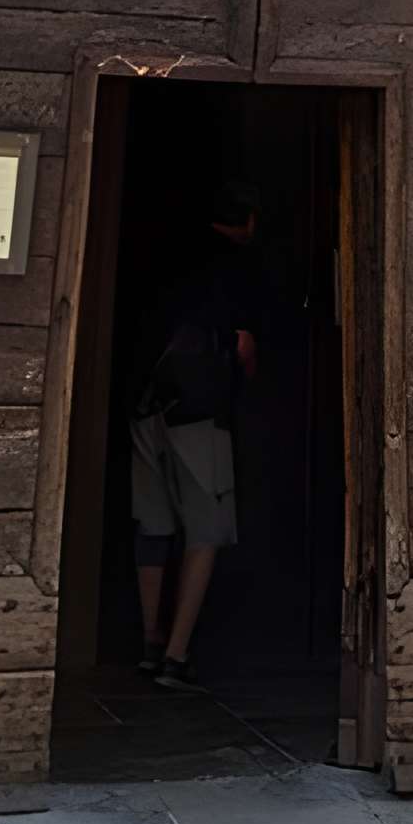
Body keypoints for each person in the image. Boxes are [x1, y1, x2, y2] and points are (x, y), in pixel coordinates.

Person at [130, 178, 267, 691]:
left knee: (153, 523)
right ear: (248, 221)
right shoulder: (235, 268)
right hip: (199, 412)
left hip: (144, 404)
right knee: (206, 529)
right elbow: (245, 348)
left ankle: (149, 641)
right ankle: (176, 656)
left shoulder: (159, 254)